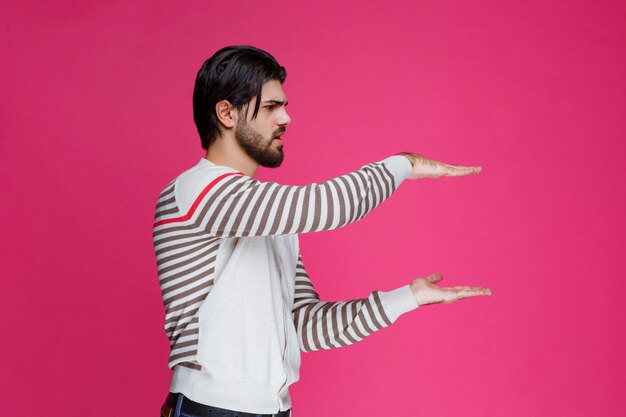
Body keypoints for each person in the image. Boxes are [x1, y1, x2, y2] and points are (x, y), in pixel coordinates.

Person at [153, 45, 492, 417]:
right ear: (227, 113)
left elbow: (306, 325)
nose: (286, 118)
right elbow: (335, 204)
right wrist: (404, 164)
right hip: (210, 409)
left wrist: (408, 297)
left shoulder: (267, 216)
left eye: (283, 105)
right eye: (270, 107)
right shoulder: (198, 189)